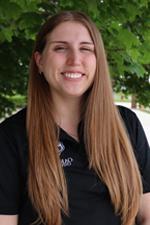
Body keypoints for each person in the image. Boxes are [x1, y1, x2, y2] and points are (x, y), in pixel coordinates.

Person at [0, 11, 150, 225]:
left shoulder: (125, 124)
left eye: (86, 49)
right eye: (60, 48)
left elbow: (147, 214)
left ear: (98, 60)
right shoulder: (11, 136)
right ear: (39, 61)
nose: (75, 59)